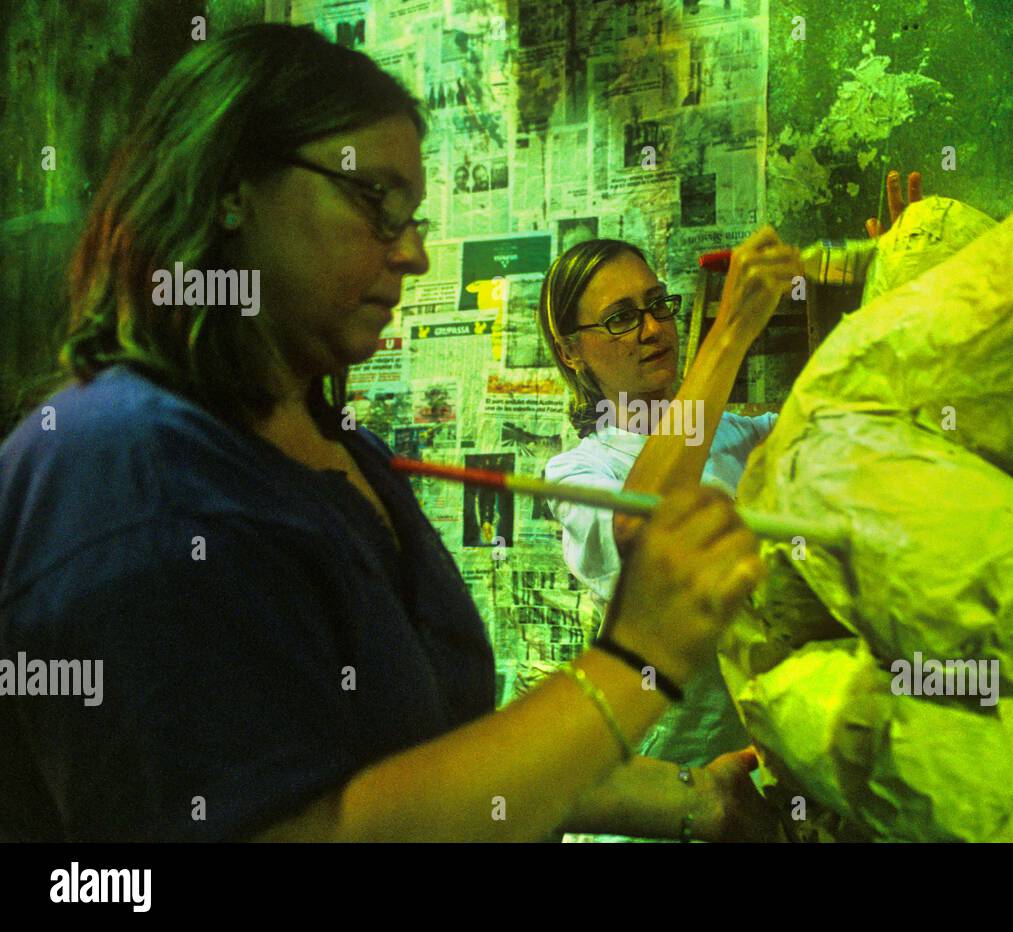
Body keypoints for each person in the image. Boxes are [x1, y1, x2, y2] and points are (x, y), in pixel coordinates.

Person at [0, 23, 776, 843]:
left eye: (414, 217)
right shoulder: (124, 470)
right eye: (375, 201)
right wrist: (634, 659)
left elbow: (423, 761)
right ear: (232, 188)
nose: (411, 253)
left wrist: (690, 800)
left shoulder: (337, 447)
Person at [539, 173, 924, 772]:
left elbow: (873, 428)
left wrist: (902, 289)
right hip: (670, 795)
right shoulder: (578, 473)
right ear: (571, 352)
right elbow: (642, 534)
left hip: (774, 772)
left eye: (655, 305)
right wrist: (732, 330)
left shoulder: (747, 435)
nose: (651, 329)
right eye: (619, 318)